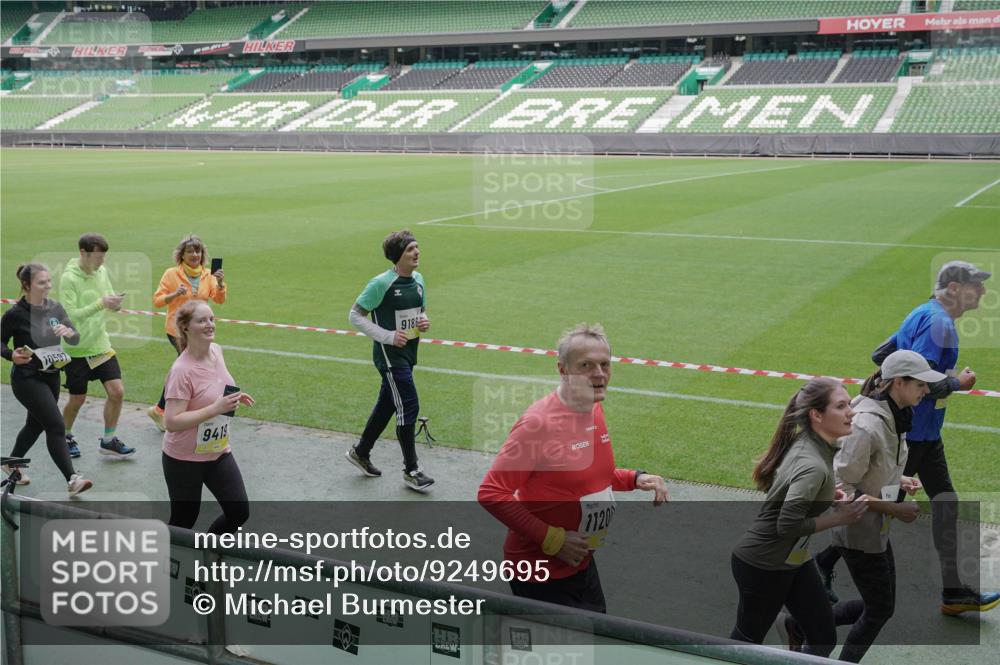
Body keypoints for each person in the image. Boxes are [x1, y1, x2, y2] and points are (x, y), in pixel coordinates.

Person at [819, 261, 998, 616]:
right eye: (974, 284)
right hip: (911, 437)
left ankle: (952, 591)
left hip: (919, 434)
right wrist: (958, 384)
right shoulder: (939, 324)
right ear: (952, 290)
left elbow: (881, 354)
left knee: (943, 503)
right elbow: (923, 383)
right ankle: (814, 568)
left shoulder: (922, 313)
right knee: (875, 506)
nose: (981, 290)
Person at [478, 323, 668, 612]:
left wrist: (634, 478)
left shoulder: (594, 407)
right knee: (556, 653)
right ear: (562, 369)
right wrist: (553, 540)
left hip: (580, 561)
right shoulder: (539, 423)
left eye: (605, 364)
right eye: (586, 365)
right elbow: (492, 492)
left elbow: (590, 476)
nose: (600, 374)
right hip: (538, 571)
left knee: (595, 642)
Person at [785, 351, 941, 661]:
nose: (926, 391)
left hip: (872, 528)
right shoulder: (868, 425)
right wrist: (894, 508)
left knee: (881, 605)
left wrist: (901, 480)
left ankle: (799, 625)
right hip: (857, 530)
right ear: (899, 383)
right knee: (880, 610)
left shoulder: (896, 415)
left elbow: (873, 470)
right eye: (921, 385)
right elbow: (840, 488)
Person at [730, 377, 868, 657]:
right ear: (816, 415)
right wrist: (840, 518)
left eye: (849, 404)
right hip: (763, 565)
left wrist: (827, 498)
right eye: (841, 406)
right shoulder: (812, 465)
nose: (851, 411)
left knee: (822, 636)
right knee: (746, 643)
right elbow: (787, 525)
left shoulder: (815, 445)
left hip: (792, 560)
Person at [345, 230, 435, 492]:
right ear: (398, 256)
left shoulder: (418, 280)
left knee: (387, 404)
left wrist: (424, 320)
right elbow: (355, 315)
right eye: (410, 249)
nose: (417, 252)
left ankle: (360, 452)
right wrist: (386, 336)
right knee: (409, 404)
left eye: (417, 247)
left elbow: (420, 309)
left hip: (409, 352)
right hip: (390, 357)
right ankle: (411, 470)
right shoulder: (381, 284)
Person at [161, 300, 253, 534]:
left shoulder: (216, 350)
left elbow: (215, 386)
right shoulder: (182, 370)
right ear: (185, 328)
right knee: (184, 520)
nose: (209, 324)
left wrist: (233, 398)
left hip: (217, 451)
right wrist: (215, 408)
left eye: (211, 319)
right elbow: (171, 422)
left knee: (239, 512)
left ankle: (208, 555)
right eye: (201, 320)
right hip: (183, 459)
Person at [1, 263, 92, 496]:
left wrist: (70, 333)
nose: (48, 286)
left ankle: (11, 463)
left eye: (49, 281)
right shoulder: (14, 314)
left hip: (52, 375)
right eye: (42, 283)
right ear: (26, 285)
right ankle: (72, 479)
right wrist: (11, 354)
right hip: (27, 379)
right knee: (55, 425)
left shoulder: (55, 307)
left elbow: (74, 337)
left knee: (35, 425)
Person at [59, 233, 135, 459]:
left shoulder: (101, 272)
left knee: (117, 391)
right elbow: (70, 315)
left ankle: (109, 440)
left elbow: (108, 299)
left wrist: (114, 304)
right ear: (83, 253)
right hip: (76, 350)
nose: (102, 262)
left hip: (100, 346)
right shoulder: (68, 278)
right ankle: (65, 435)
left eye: (104, 257)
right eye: (98, 257)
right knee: (77, 399)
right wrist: (101, 303)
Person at [148, 235, 226, 432]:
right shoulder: (171, 274)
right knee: (186, 366)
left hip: (198, 330)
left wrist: (221, 284)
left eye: (198, 251)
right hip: (177, 330)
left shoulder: (208, 275)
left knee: (184, 366)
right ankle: (167, 410)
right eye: (190, 251)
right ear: (181, 255)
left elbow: (218, 300)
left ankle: (162, 409)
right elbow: (157, 300)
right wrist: (174, 295)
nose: (194, 255)